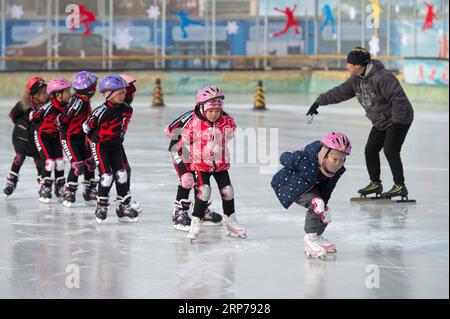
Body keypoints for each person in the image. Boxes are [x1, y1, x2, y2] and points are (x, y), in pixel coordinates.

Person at [306, 47, 414, 200]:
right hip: (381, 121)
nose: (347, 66)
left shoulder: (382, 77)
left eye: (349, 63)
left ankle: (400, 186)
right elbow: (339, 92)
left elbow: (398, 99)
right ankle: (375, 183)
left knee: (390, 150)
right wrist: (318, 102)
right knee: (370, 150)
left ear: (358, 65)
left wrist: (397, 123)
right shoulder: (356, 80)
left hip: (399, 119)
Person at [271, 132, 351, 258]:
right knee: (317, 204)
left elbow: (327, 189)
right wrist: (294, 156)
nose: (337, 163)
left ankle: (318, 237)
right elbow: (283, 157)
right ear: (324, 155)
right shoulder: (306, 158)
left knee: (325, 210)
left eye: (341, 160)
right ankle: (310, 240)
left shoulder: (337, 171)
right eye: (334, 159)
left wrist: (323, 208)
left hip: (309, 187)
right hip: (289, 185)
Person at [181, 86, 246, 241]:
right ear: (202, 108)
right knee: (204, 191)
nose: (214, 114)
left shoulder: (226, 121)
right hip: (201, 164)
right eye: (211, 111)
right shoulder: (194, 123)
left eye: (217, 111)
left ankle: (230, 221)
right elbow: (184, 138)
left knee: (228, 191)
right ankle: (196, 222)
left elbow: (231, 132)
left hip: (220, 163)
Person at [83, 75, 139, 223]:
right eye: (119, 93)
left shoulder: (127, 109)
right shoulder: (100, 111)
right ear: (109, 94)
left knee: (122, 174)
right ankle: (101, 205)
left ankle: (123, 206)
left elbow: (122, 127)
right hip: (100, 145)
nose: (123, 95)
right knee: (107, 176)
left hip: (116, 145)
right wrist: (94, 140)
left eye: (124, 92)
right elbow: (87, 127)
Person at [166, 110, 223, 231]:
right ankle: (179, 212)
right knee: (187, 178)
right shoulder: (192, 116)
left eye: (218, 105)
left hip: (199, 151)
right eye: (211, 106)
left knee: (201, 179)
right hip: (180, 148)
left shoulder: (220, 117)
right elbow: (172, 128)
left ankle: (201, 210)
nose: (214, 111)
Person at [58, 71, 98, 207]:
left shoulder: (84, 101)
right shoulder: (78, 101)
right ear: (90, 89)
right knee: (77, 165)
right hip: (69, 138)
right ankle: (68, 191)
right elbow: (66, 116)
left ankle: (89, 189)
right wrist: (60, 121)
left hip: (83, 138)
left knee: (90, 163)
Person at [3, 77, 47, 198]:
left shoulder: (47, 106)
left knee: (40, 160)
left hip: (37, 139)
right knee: (19, 157)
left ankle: (43, 183)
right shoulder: (23, 105)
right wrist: (23, 126)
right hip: (21, 137)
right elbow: (13, 116)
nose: (46, 94)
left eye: (46, 91)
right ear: (34, 95)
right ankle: (11, 180)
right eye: (43, 93)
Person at [30, 77, 71, 203]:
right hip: (43, 136)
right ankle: (45, 187)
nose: (70, 94)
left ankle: (59, 186)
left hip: (56, 137)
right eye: (67, 92)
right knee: (50, 162)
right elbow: (34, 118)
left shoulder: (68, 106)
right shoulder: (48, 107)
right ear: (58, 95)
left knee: (60, 162)